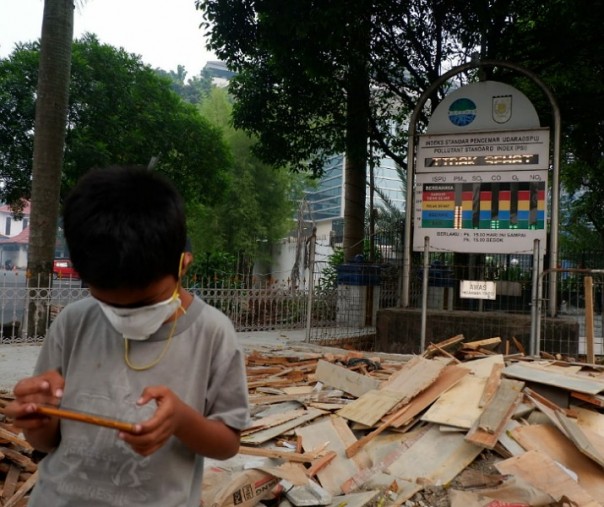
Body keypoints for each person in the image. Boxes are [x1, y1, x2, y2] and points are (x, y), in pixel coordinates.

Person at [5, 165, 250, 507]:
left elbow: (227, 445)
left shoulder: (212, 333)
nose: (125, 316)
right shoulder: (74, 323)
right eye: (107, 302)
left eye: (145, 303)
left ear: (183, 264)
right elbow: (47, 442)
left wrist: (181, 419)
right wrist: (39, 418)